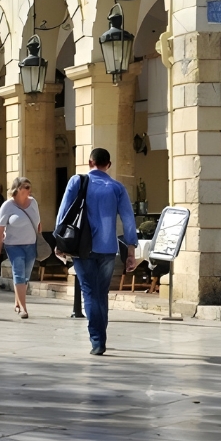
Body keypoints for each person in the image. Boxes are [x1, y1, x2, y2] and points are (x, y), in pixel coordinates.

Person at [55, 148, 137, 356]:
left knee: (90, 292)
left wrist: (60, 242)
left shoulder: (77, 181)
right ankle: (101, 335)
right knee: (101, 293)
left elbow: (63, 213)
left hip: (82, 247)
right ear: (108, 165)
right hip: (108, 249)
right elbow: (128, 220)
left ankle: (98, 340)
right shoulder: (117, 187)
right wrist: (131, 250)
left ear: (90, 162)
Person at [0, 177, 41, 319]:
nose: (29, 190)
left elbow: (38, 222)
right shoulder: (7, 206)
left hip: (31, 244)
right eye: (26, 187)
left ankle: (18, 302)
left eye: (30, 186)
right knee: (19, 273)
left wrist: (40, 238)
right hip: (13, 245)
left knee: (25, 276)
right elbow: (0, 229)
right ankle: (23, 308)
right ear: (17, 189)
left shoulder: (33, 202)